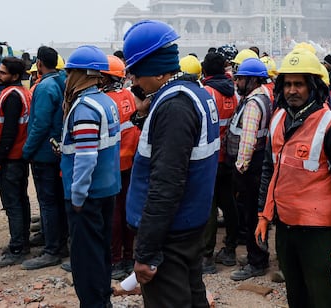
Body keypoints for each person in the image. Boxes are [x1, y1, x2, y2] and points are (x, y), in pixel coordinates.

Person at [124, 21, 219, 307]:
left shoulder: (174, 106)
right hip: (189, 224)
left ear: (156, 69)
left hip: (170, 235)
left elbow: (165, 183)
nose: (134, 81)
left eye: (137, 73)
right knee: (192, 296)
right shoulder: (195, 93)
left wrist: (147, 252)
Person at [257, 50, 331, 308]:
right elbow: (270, 170)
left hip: (319, 232)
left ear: (312, 87)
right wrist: (263, 213)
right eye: (288, 84)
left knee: (323, 296)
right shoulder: (278, 118)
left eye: (299, 84)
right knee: (296, 295)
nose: (292, 90)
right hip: (286, 226)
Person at [60, 45, 121, 307]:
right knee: (100, 252)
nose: (67, 78)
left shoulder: (84, 108)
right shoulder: (106, 101)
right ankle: (102, 299)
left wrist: (77, 195)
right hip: (107, 189)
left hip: (88, 196)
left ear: (83, 74)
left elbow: (86, 157)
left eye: (70, 73)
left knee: (86, 259)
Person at [20, 46, 69, 271]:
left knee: (47, 202)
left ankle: (51, 250)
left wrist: (26, 151)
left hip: (43, 152)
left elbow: (39, 124)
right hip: (58, 149)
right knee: (58, 199)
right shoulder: (62, 81)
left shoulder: (45, 86)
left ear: (39, 64)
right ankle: (61, 243)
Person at [227, 58, 273, 281]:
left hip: (250, 167)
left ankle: (257, 261)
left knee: (251, 216)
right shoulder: (261, 96)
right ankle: (257, 255)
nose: (237, 81)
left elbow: (248, 138)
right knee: (254, 213)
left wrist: (240, 167)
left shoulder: (254, 104)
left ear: (252, 80)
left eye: (241, 78)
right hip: (255, 164)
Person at [0, 56, 33, 269]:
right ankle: (22, 243)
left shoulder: (12, 96)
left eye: (3, 72)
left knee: (13, 204)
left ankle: (17, 249)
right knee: (21, 201)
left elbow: (9, 132)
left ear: (14, 75)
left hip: (11, 159)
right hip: (19, 157)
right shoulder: (22, 93)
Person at [101, 55, 140, 280]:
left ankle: (115, 259)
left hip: (111, 164)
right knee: (127, 211)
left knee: (113, 214)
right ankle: (128, 257)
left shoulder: (104, 101)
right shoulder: (129, 95)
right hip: (130, 161)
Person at [201, 51, 240, 273]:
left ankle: (207, 257)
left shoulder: (206, 93)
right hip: (229, 158)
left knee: (209, 205)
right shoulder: (234, 93)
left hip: (211, 158)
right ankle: (231, 248)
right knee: (229, 202)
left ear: (205, 71)